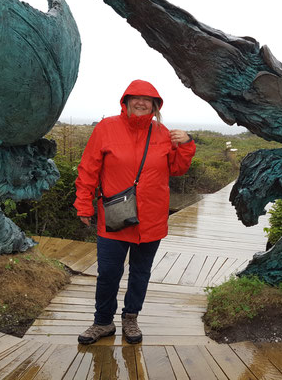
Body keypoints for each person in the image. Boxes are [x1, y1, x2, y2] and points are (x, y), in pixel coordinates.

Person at [74, 79, 196, 344]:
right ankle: (103, 322)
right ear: (126, 101)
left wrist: (186, 145)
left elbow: (177, 168)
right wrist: (83, 203)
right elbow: (88, 169)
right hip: (115, 218)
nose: (141, 102)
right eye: (135, 98)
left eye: (147, 99)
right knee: (108, 272)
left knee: (141, 272)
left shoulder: (163, 133)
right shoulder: (107, 128)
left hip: (151, 219)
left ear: (155, 104)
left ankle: (131, 318)